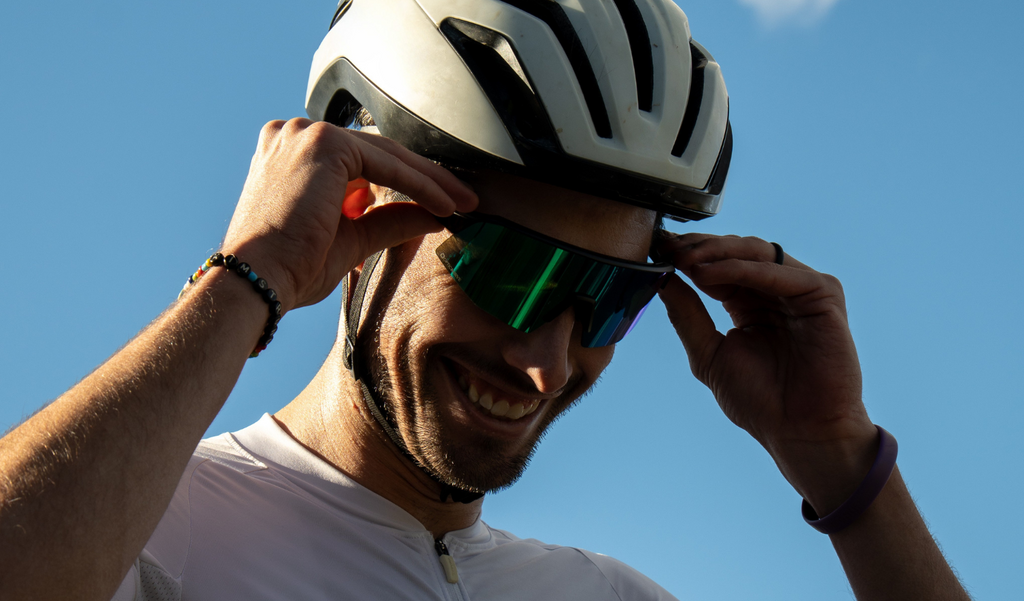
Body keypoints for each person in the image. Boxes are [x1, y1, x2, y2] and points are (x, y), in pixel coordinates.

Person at [0, 0, 970, 599]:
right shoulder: (142, 531)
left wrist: (841, 466)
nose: (546, 359)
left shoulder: (610, 597)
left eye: (604, 296)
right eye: (511, 273)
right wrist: (244, 281)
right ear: (357, 208)